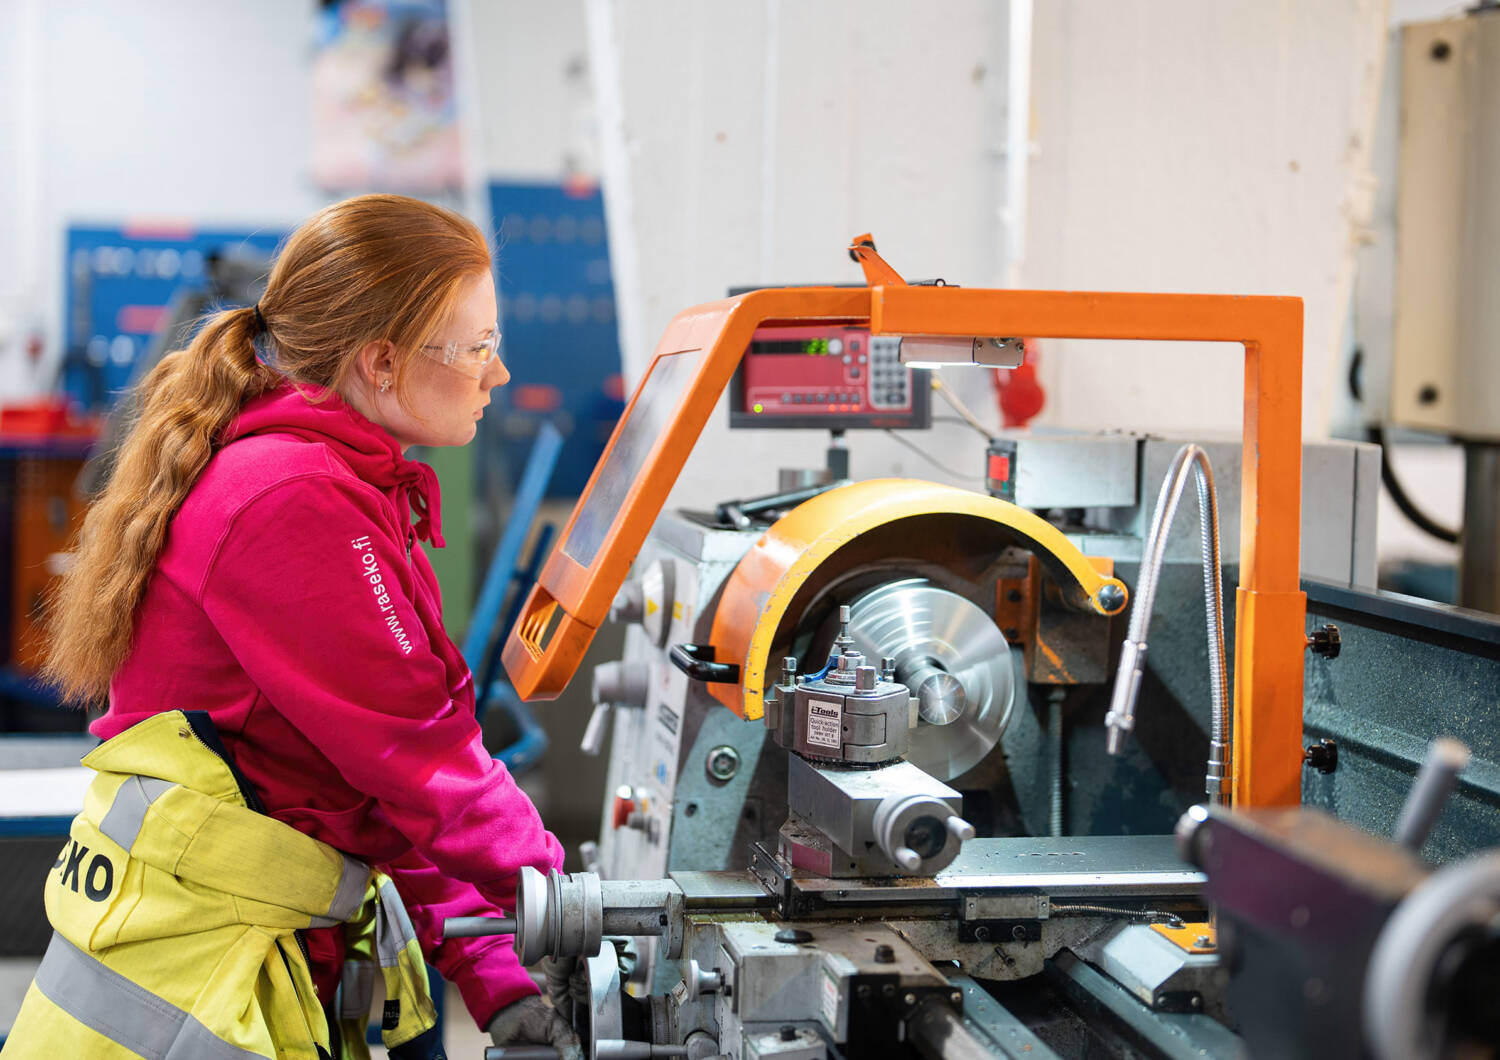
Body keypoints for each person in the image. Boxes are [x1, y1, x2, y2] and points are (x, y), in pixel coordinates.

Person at [19, 194, 581, 1058]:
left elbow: (372, 789)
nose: (497, 375)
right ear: (383, 362)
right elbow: (423, 763)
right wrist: (570, 903)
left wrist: (496, 974)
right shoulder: (293, 499)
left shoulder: (343, 484)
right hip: (191, 997)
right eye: (479, 348)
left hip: (254, 946)